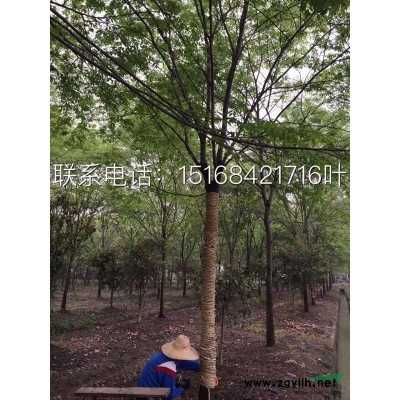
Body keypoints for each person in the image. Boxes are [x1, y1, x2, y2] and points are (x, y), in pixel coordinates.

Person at [136, 334, 200, 400]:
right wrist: (181, 389)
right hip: (147, 395)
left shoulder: (164, 356)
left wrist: (199, 367)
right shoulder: (169, 367)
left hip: (143, 388)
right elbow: (169, 395)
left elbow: (184, 364)